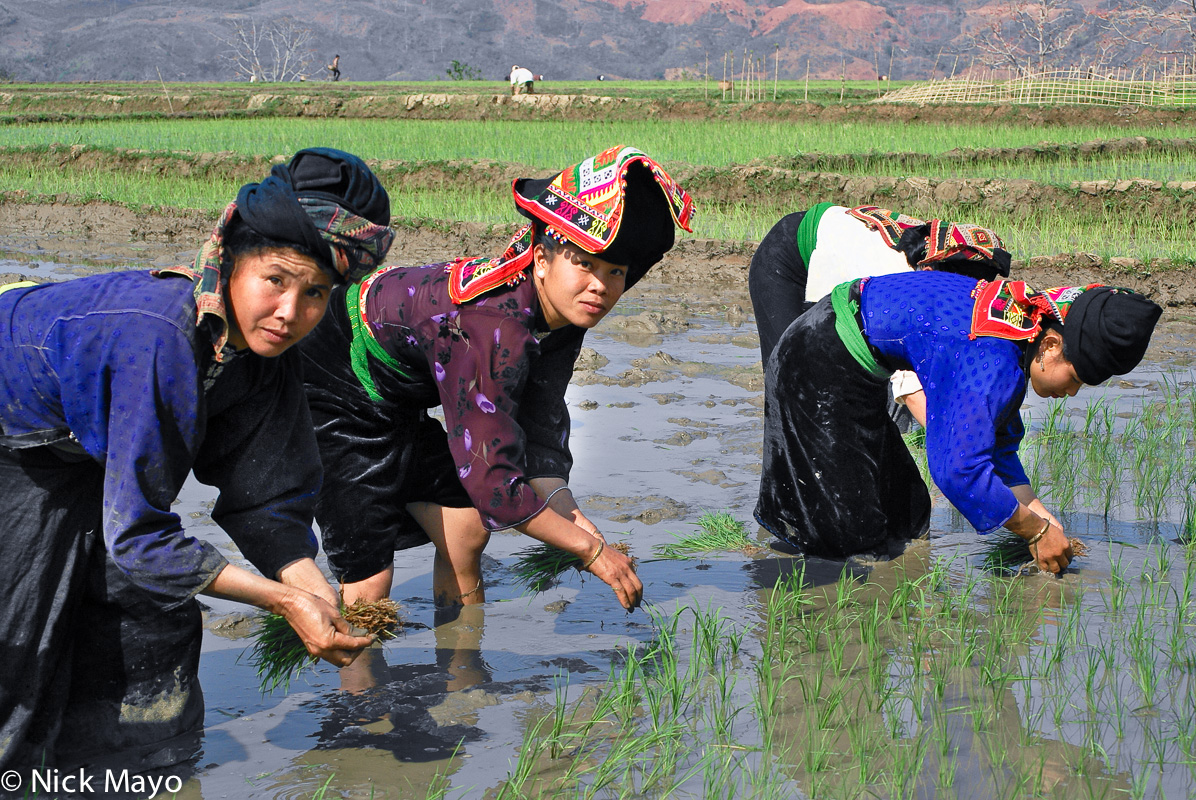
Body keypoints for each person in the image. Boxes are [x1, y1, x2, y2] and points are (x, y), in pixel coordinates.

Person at [0, 148, 395, 769]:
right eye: (276, 280)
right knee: (21, 634)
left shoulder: (264, 357)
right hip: (15, 437)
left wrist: (314, 588)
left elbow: (267, 495)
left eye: (316, 292)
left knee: (154, 613)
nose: (291, 313)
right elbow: (140, 538)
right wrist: (284, 601)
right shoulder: (159, 336)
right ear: (233, 259)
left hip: (84, 446)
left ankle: (144, 771)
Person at [300, 144, 694, 613]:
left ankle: (464, 672)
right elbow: (495, 486)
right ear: (542, 259)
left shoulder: (564, 316)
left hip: (398, 386)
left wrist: (577, 522)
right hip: (333, 379)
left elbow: (539, 427)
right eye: (584, 263)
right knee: (370, 581)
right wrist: (591, 553)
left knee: (466, 528)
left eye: (615, 272)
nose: (600, 285)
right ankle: (362, 684)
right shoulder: (491, 331)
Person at [754, 269, 1161, 572]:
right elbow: (958, 470)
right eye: (1075, 378)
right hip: (816, 358)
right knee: (850, 539)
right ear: (1051, 345)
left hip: (853, 365)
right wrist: (1034, 531)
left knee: (907, 516)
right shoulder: (991, 359)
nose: (1071, 393)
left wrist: (1040, 513)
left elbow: (995, 448)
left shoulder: (1019, 330)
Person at [749, 203, 1012, 427]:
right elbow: (908, 384)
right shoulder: (900, 282)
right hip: (788, 257)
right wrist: (955, 443)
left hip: (845, 250)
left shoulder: (936, 268)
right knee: (789, 373)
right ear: (931, 270)